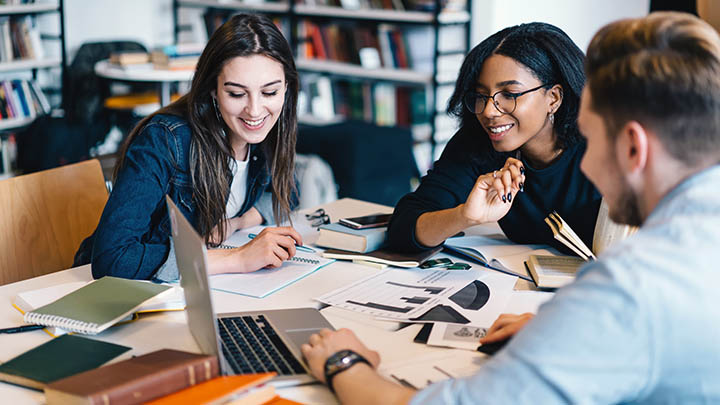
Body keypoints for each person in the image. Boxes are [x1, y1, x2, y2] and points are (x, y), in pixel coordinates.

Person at [301, 12, 720, 403]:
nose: (587, 162)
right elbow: (409, 219)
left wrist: (344, 364)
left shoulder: (629, 287)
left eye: (592, 137)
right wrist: (570, 329)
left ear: (633, 147)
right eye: (481, 96)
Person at [74, 14, 303, 281]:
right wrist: (238, 257)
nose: (254, 110)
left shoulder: (268, 131)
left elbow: (286, 190)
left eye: (270, 92)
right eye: (237, 94)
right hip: (122, 294)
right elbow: (112, 260)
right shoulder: (164, 141)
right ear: (213, 91)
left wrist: (236, 223)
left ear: (286, 87)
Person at [386, 22, 601, 255]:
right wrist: (463, 216)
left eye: (509, 94)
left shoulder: (607, 147)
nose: (489, 111)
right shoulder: (479, 143)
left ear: (554, 98)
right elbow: (402, 229)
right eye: (481, 95)